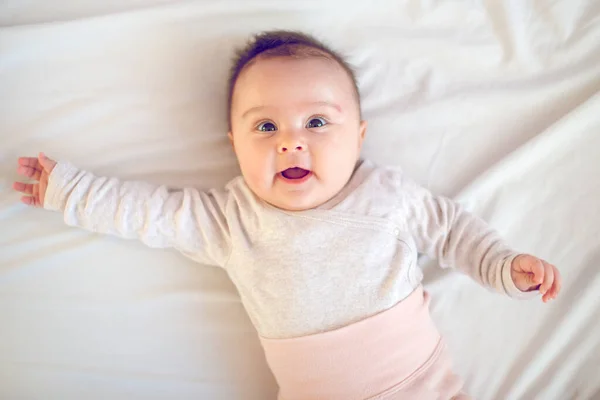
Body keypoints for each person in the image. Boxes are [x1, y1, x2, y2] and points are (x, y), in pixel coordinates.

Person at [13, 30, 561, 400]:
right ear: (234, 145)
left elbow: (454, 232)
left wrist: (503, 266)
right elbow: (148, 214)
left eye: (317, 123)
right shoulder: (230, 220)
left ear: (359, 135)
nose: (292, 144)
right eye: (266, 128)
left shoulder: (386, 194)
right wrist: (72, 192)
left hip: (419, 385)